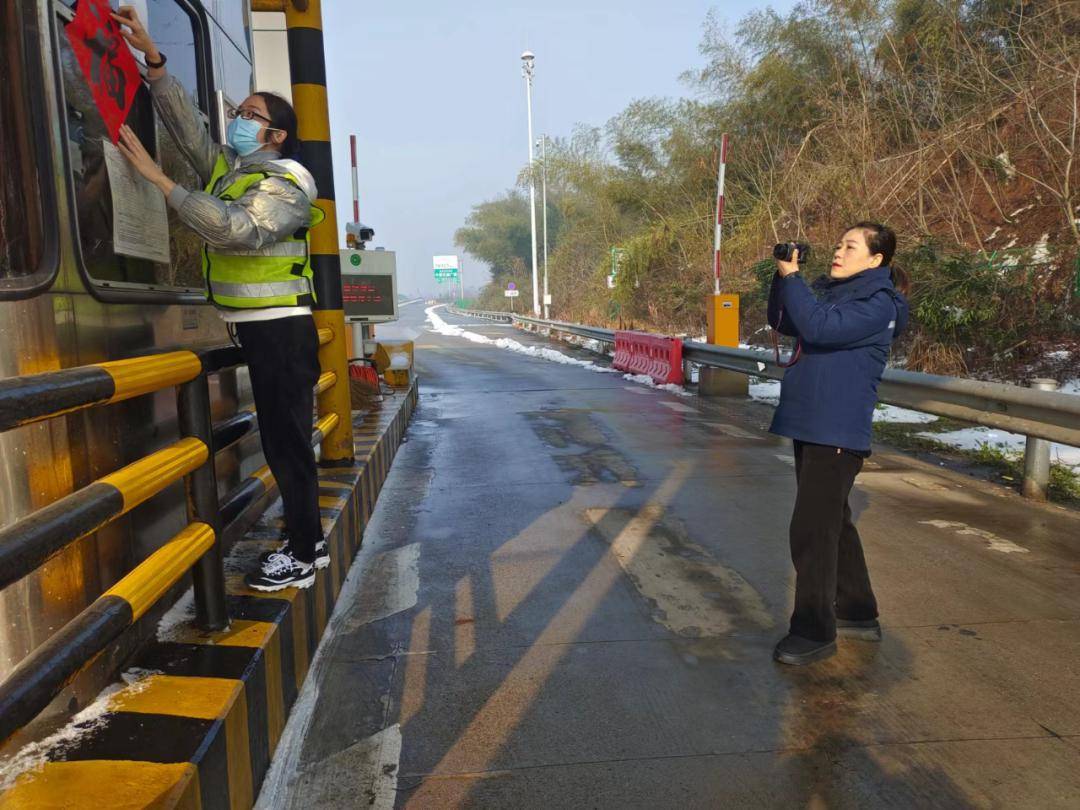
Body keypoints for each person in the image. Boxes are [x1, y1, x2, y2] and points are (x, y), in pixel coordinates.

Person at [112, 6, 328, 591]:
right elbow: (188, 130)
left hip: (282, 331)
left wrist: (163, 186)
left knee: (287, 445)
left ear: (275, 136)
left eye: (250, 116)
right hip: (261, 331)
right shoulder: (233, 173)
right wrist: (155, 61)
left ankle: (304, 554)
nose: (237, 120)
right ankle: (308, 540)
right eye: (239, 111)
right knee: (284, 441)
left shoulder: (284, 184)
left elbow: (238, 230)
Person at [767, 222, 910, 665]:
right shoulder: (832, 292)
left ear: (875, 260)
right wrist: (782, 277)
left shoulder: (879, 304)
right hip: (811, 422)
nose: (838, 252)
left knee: (812, 531)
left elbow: (820, 329)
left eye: (851, 247)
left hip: (837, 429)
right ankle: (857, 609)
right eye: (838, 244)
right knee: (834, 523)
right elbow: (785, 320)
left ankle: (813, 631)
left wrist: (794, 279)